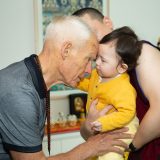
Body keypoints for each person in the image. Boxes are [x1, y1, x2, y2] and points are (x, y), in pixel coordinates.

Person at [0, 16, 132, 160]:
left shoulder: (32, 77)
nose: (89, 70)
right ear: (66, 50)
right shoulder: (19, 92)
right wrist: (89, 148)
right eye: (88, 59)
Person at [73, 8, 160, 160]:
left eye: (92, 33)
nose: (92, 42)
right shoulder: (101, 71)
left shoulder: (141, 52)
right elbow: (86, 134)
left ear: (107, 22)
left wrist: (131, 146)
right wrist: (89, 124)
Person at [77, 26, 141, 160]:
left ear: (122, 67)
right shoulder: (98, 73)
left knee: (110, 155)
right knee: (92, 153)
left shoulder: (124, 88)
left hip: (123, 126)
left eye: (103, 60)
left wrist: (104, 122)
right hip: (102, 125)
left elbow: (127, 113)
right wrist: (75, 82)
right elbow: (90, 85)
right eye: (97, 58)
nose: (97, 63)